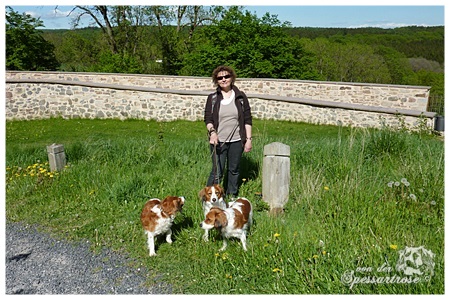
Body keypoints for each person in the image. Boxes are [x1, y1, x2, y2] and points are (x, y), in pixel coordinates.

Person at [204, 65, 253, 198]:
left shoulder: (241, 97)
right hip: (218, 141)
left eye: (226, 76)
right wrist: (212, 132)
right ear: (216, 80)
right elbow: (208, 119)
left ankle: (232, 196)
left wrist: (248, 139)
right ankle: (208, 199)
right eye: (220, 78)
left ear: (232, 78)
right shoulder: (213, 98)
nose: (224, 79)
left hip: (237, 140)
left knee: (234, 170)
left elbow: (247, 119)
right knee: (217, 172)